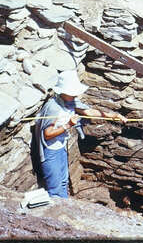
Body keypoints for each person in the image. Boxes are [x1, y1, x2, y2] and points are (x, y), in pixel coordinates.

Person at [34, 70, 124, 199]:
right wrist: (69, 125)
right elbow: (47, 134)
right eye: (72, 93)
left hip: (60, 147)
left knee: (64, 181)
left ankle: (65, 205)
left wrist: (114, 115)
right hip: (50, 150)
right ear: (62, 92)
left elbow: (90, 112)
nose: (75, 96)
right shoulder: (53, 108)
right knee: (54, 187)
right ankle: (55, 214)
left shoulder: (69, 102)